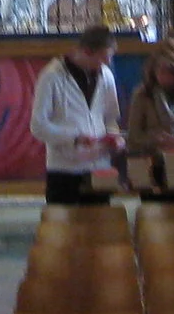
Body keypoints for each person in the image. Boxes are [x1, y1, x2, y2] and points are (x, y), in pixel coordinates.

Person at [29, 23, 123, 204]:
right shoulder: (52, 76)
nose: (107, 64)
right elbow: (38, 126)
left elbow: (111, 118)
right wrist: (75, 138)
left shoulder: (106, 76)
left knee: (100, 225)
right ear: (86, 51)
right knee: (63, 227)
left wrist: (114, 137)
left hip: (99, 167)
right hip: (64, 169)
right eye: (103, 58)